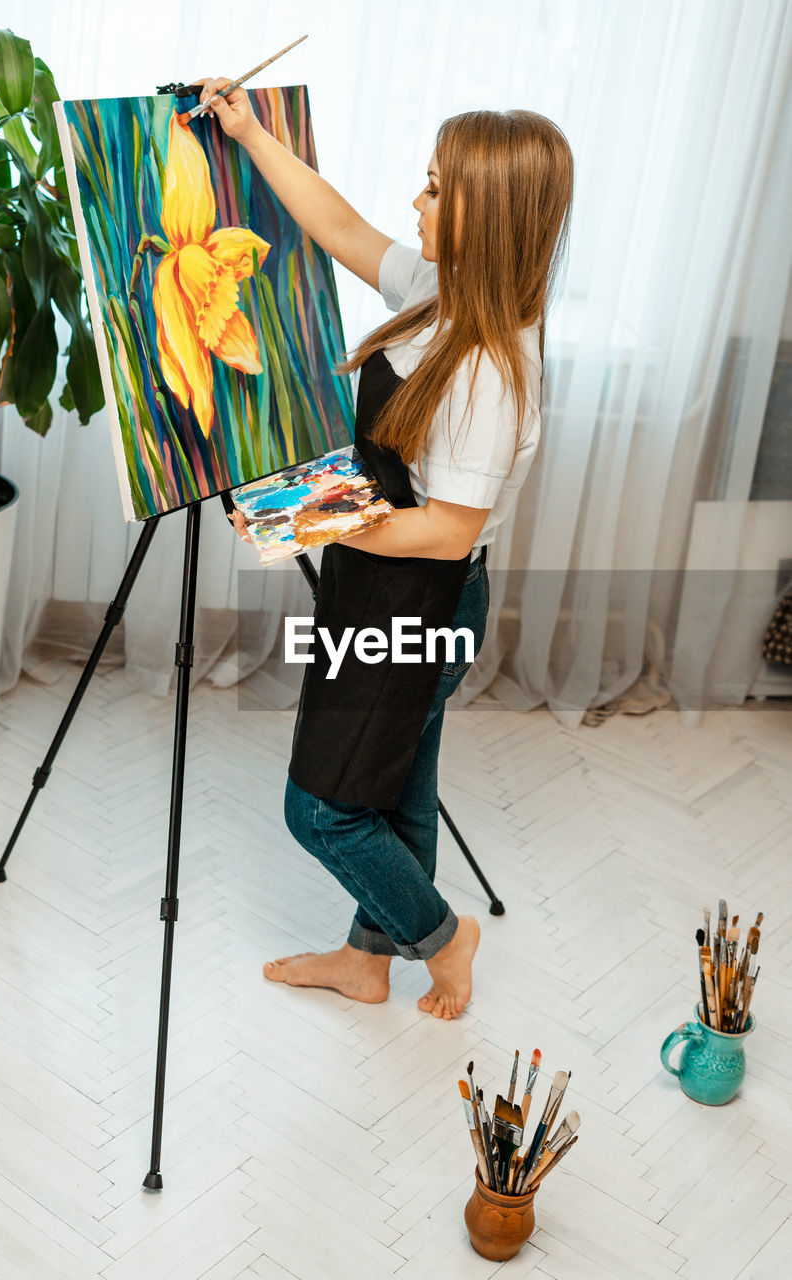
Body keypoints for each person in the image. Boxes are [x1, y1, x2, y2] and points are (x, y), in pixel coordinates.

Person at [200, 77, 573, 1019]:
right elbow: (344, 230)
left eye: (438, 189)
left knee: (323, 809)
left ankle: (443, 937)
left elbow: (447, 532)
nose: (418, 201)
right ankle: (370, 959)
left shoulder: (489, 367)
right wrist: (248, 135)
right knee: (399, 785)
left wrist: (305, 514)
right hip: (384, 584)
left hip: (421, 601)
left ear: (485, 217)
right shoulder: (445, 293)